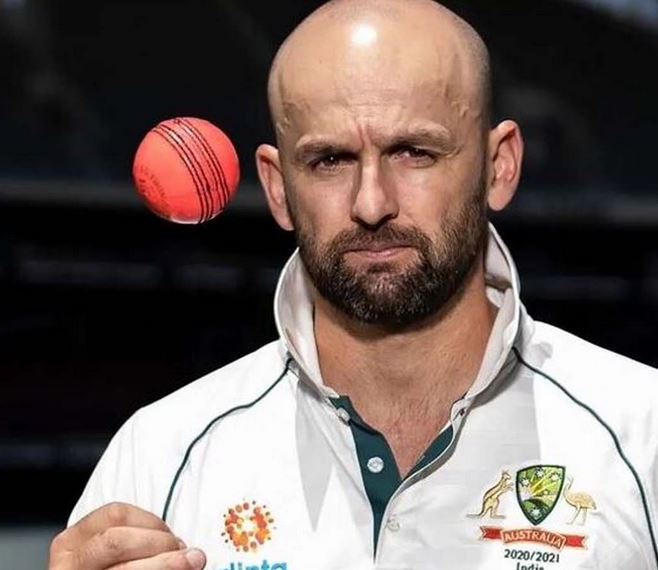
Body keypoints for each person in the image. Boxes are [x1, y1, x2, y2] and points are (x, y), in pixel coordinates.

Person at [48, 0, 658, 569]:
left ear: (499, 165)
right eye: (330, 160)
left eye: (414, 152)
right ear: (277, 188)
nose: (371, 203)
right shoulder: (161, 455)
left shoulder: (643, 434)